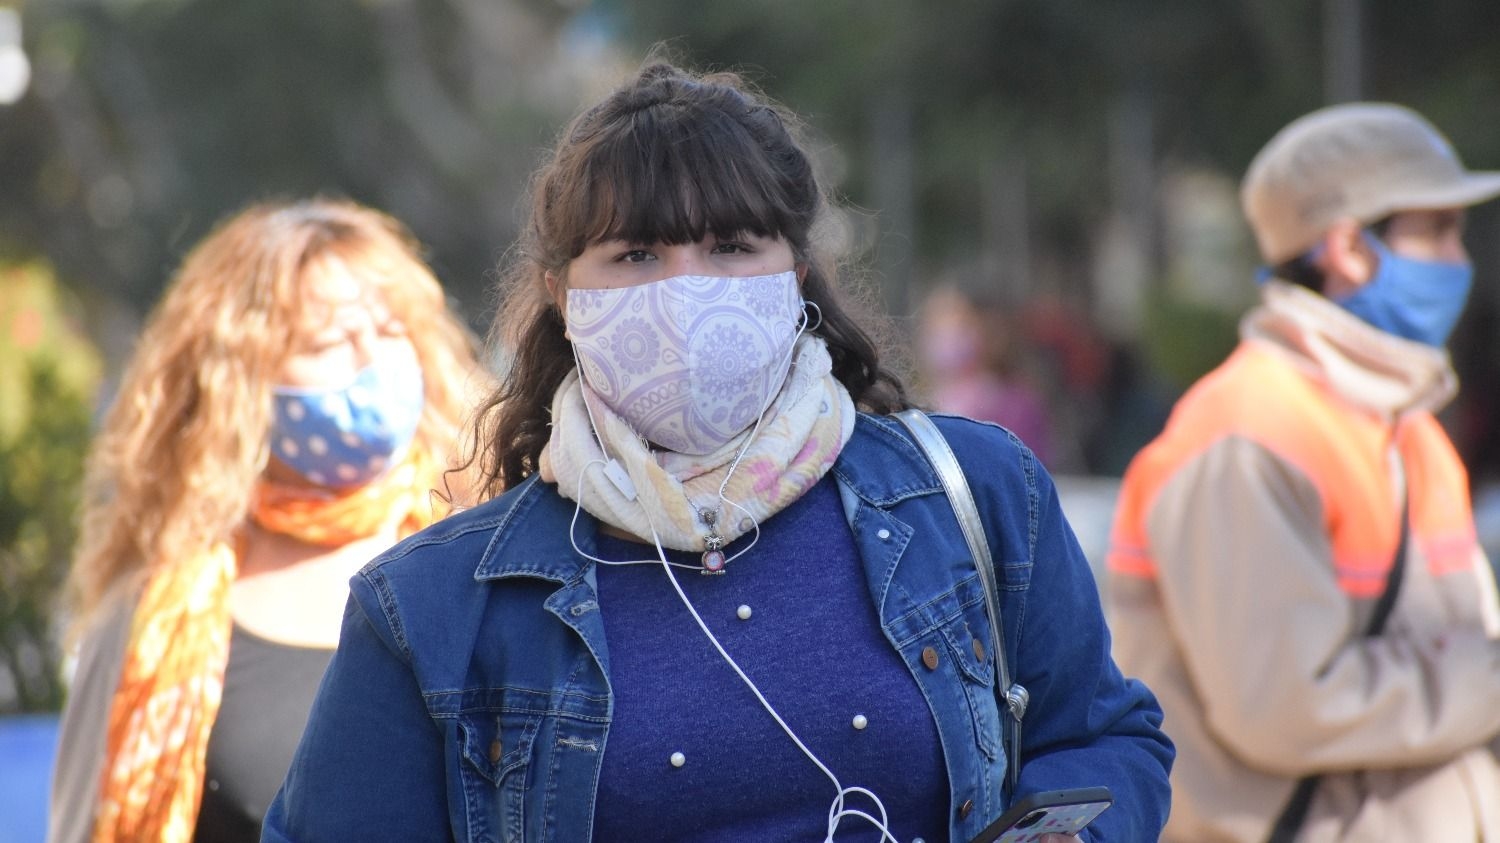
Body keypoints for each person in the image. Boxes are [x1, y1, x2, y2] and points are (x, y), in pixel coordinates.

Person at [264, 62, 1173, 843]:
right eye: (636, 256)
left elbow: (1106, 735)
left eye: (733, 245)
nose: (688, 290)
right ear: (562, 294)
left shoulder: (975, 494)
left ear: (797, 274)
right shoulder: (434, 607)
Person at [1106, 103, 1500, 841]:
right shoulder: (1246, 437)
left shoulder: (1405, 424)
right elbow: (1284, 708)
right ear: (1348, 247)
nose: (1461, 259)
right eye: (1439, 230)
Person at [48, 198, 486, 843]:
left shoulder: (485, 546)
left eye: (392, 331)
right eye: (329, 341)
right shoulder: (159, 612)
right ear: (239, 383)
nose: (373, 364)